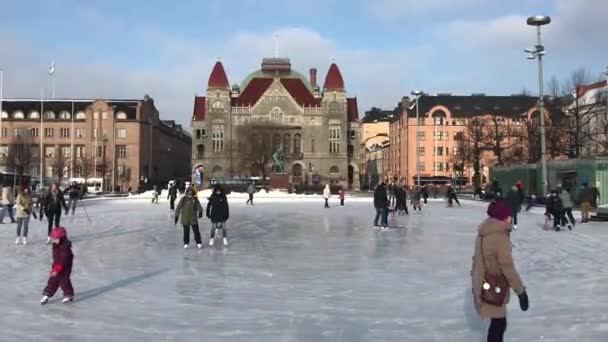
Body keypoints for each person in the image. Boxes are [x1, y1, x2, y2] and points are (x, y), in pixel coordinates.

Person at [471, 200, 528, 342]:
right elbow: (507, 266)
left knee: (498, 324)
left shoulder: (484, 232)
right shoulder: (499, 236)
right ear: (502, 217)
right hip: (495, 285)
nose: (510, 218)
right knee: (499, 324)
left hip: (483, 281)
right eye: (508, 215)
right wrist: (521, 291)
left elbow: (477, 259)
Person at [41, 227, 74, 304]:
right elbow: (56, 257)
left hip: (65, 266)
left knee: (64, 280)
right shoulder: (56, 244)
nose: (53, 240)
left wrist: (57, 269)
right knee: (53, 279)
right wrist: (55, 267)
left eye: (55, 239)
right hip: (57, 264)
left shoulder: (65, 247)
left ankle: (68, 295)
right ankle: (47, 294)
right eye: (53, 238)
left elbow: (63, 260)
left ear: (62, 238)